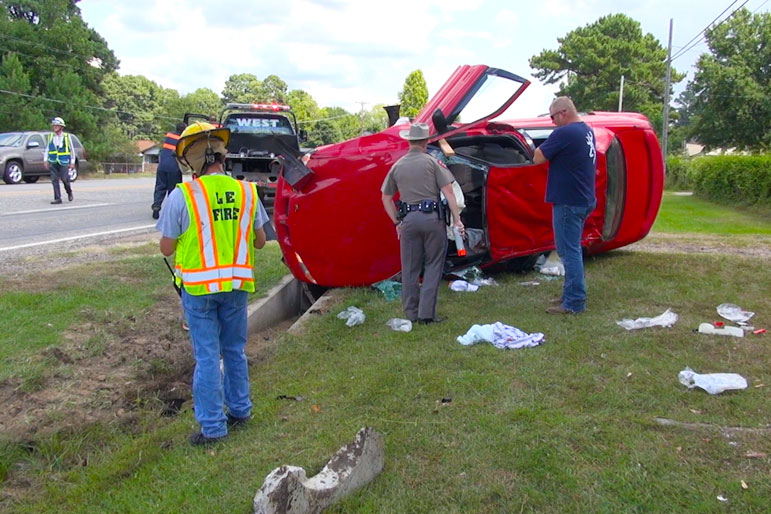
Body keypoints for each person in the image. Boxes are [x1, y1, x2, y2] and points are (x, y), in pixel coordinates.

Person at [156, 121, 268, 446]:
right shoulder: (247, 191)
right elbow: (260, 241)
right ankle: (241, 411)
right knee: (235, 350)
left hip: (199, 292)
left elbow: (166, 247)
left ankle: (213, 428)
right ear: (222, 154)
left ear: (192, 161)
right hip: (236, 288)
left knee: (207, 358)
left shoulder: (183, 195)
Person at [381, 122, 464, 324]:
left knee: (410, 267)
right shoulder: (432, 163)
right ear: (426, 142)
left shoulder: (397, 166)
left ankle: (411, 313)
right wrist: (457, 220)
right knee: (434, 264)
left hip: (408, 221)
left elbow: (386, 197)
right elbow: (449, 192)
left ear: (409, 141)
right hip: (432, 220)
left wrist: (396, 222)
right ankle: (426, 314)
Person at [533, 97, 597, 314]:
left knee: (568, 252)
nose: (552, 122)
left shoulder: (565, 132)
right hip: (584, 198)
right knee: (572, 249)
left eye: (553, 117)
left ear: (563, 113)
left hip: (568, 201)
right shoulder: (586, 131)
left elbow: (537, 158)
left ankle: (574, 303)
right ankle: (569, 296)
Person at [151, 122, 186, 219]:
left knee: (160, 187)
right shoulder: (182, 140)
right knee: (173, 191)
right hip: (174, 168)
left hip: (162, 166)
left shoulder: (169, 136)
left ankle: (156, 207)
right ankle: (171, 213)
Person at [44, 117, 75, 205]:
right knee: (54, 180)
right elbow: (47, 149)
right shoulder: (51, 136)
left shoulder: (67, 137)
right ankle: (57, 198)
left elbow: (71, 150)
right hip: (53, 161)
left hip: (63, 161)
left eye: (57, 125)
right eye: (54, 125)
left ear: (61, 127)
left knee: (65, 179)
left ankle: (69, 192)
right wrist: (45, 160)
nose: (55, 127)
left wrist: (72, 162)